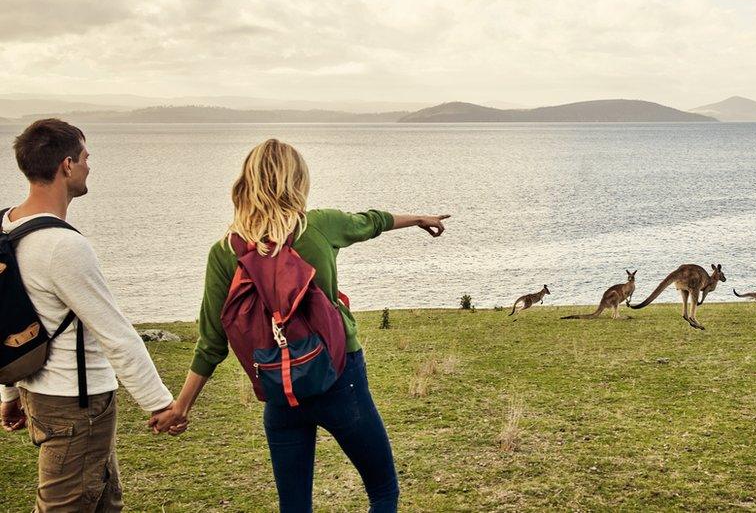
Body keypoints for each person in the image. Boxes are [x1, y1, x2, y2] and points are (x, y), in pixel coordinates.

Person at [151, 138, 448, 512]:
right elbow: (373, 222)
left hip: (280, 390)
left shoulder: (225, 252)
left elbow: (211, 342)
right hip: (341, 379)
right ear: (298, 182)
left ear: (247, 182)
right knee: (383, 491)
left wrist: (182, 406)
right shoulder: (320, 226)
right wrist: (420, 218)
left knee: (294, 508)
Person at [0, 119, 176, 512]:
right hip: (76, 404)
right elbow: (116, 333)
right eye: (85, 157)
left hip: (38, 393)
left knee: (103, 502)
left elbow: (8, 319)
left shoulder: (5, 226)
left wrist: (9, 395)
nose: (88, 166)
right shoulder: (63, 246)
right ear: (66, 165)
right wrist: (160, 405)